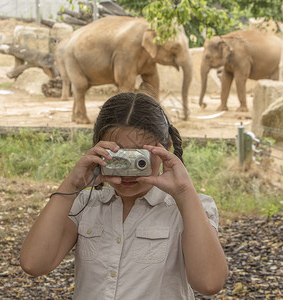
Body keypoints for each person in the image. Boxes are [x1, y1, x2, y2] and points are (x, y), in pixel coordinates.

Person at [20, 92, 228, 299]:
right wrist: (72, 185)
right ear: (98, 150)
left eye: (139, 158)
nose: (127, 170)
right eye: (118, 157)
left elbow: (209, 282)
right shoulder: (84, 206)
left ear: (165, 149)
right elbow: (34, 263)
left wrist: (184, 192)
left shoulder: (190, 208)